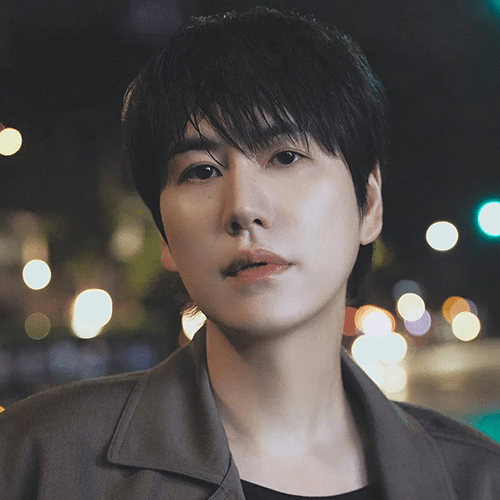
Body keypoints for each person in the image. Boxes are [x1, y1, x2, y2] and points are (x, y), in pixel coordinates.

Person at [1, 6, 499, 500]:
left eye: (285, 157)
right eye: (201, 171)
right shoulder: (41, 461)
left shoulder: (476, 480)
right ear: (165, 236)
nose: (242, 207)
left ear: (368, 203)